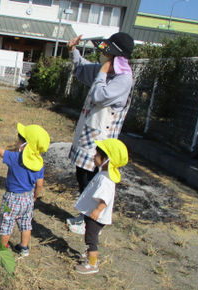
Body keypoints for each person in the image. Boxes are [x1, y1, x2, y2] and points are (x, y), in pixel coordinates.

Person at [66, 32, 134, 234]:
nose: (102, 56)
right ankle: (85, 216)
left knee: (93, 178)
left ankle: (91, 220)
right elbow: (83, 69)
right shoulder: (108, 71)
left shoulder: (123, 78)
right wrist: (72, 51)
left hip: (101, 138)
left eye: (107, 54)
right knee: (82, 173)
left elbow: (99, 95)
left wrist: (103, 71)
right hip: (89, 133)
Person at [0, 123, 50, 256]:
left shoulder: (15, 158)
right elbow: (40, 184)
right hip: (28, 198)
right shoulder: (39, 164)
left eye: (19, 140)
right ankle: (24, 247)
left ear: (25, 144)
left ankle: (2, 247)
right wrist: (35, 196)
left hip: (12, 198)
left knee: (6, 222)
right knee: (26, 223)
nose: (17, 142)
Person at [74, 138, 128, 274]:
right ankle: (89, 256)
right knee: (90, 236)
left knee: (91, 240)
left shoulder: (105, 179)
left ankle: (92, 264)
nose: (94, 156)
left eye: (97, 155)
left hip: (95, 216)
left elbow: (105, 199)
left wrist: (98, 210)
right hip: (93, 214)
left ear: (106, 160)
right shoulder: (104, 174)